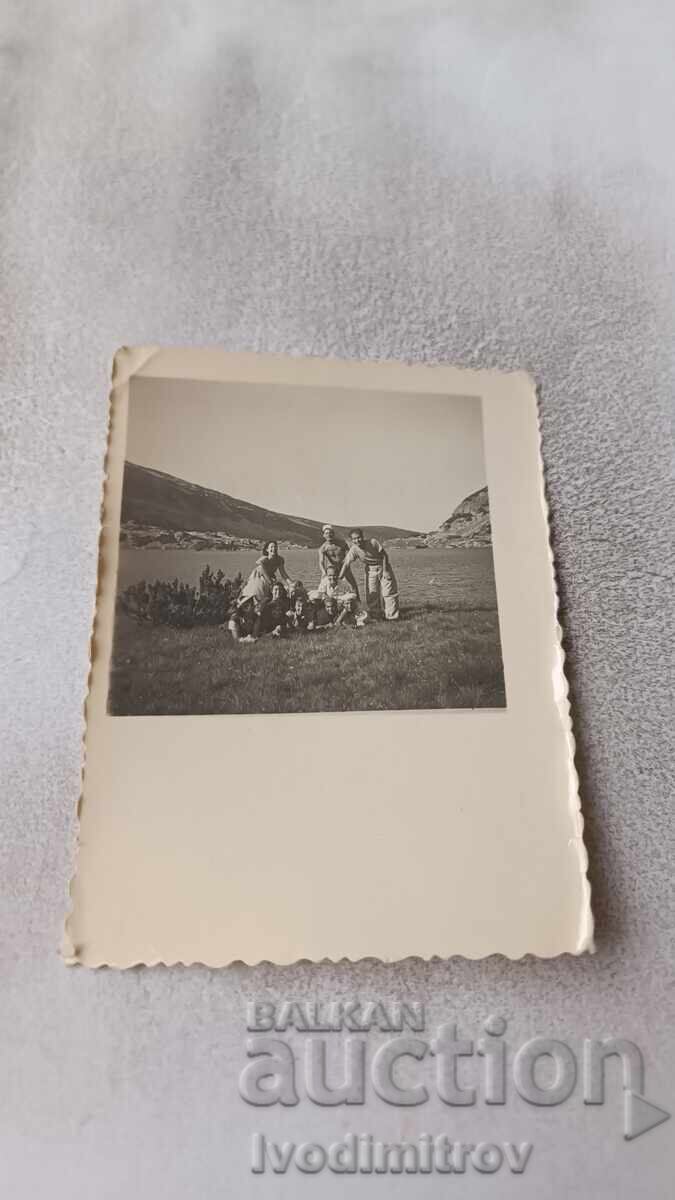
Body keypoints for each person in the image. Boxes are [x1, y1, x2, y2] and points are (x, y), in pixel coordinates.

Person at [338, 528, 400, 620]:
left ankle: (392, 617)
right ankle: (376, 615)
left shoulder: (373, 542)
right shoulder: (354, 549)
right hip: (370, 570)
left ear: (363, 537)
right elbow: (346, 564)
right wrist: (339, 578)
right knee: (372, 594)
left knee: (388, 592)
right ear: (351, 540)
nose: (357, 540)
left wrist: (385, 571)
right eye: (354, 539)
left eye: (359, 537)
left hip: (383, 566)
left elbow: (384, 556)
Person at [238, 540, 294, 609]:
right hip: (259, 577)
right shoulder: (264, 559)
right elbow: (263, 573)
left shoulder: (279, 559)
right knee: (258, 590)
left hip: (270, 577)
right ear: (267, 549)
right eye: (271, 547)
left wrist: (291, 583)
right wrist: (272, 583)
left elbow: (283, 574)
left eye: (275, 547)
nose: (274, 549)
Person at [318, 524, 359, 598]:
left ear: (333, 534)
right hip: (331, 568)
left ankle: (357, 601)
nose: (329, 535)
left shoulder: (342, 543)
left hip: (344, 567)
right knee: (324, 585)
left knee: (353, 585)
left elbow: (353, 551)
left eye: (330, 533)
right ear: (323, 535)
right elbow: (321, 562)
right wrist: (323, 572)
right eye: (326, 533)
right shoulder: (323, 548)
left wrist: (347, 560)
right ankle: (327, 601)